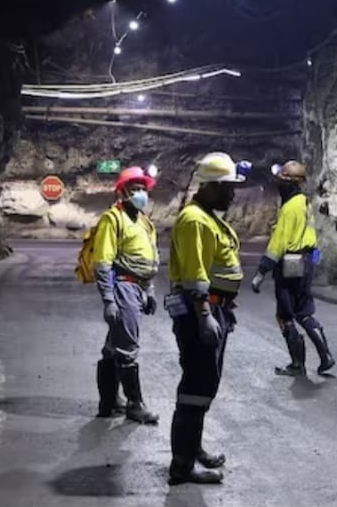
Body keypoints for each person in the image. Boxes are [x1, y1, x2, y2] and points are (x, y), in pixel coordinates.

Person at [164, 151, 249, 485]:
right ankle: (181, 467)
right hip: (202, 310)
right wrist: (204, 315)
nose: (232, 194)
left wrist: (223, 308)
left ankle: (192, 447)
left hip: (215, 308)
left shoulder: (208, 217)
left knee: (204, 385)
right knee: (196, 387)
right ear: (211, 186)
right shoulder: (195, 220)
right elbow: (196, 273)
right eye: (228, 187)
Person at [251, 160, 335, 376]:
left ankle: (298, 364)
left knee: (285, 315)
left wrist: (262, 271)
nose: (279, 184)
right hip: (306, 261)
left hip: (290, 263)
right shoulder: (305, 203)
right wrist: (312, 262)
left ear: (289, 183)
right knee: (304, 311)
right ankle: (326, 356)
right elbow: (312, 236)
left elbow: (278, 242)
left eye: (282, 180)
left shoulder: (289, 208)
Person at [93, 166, 160, 424]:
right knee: (128, 346)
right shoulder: (113, 218)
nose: (140, 194)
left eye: (143, 189)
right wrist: (108, 299)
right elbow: (103, 261)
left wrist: (150, 290)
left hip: (138, 287)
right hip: (123, 287)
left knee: (113, 347)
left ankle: (108, 402)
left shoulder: (144, 221)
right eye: (134, 190)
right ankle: (134, 404)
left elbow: (150, 257)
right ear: (122, 192)